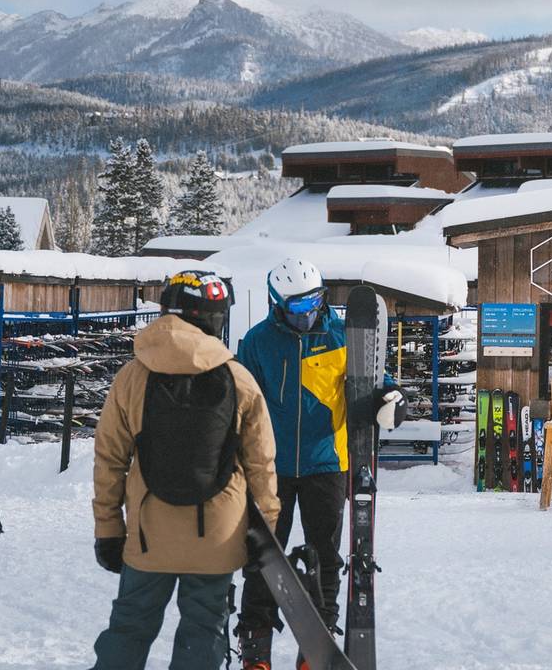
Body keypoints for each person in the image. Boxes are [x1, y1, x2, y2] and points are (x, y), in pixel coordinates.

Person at [90, 270, 281, 670]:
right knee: (204, 627)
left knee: (130, 625)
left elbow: (110, 459)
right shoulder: (238, 377)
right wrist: (268, 534)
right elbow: (261, 464)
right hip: (218, 535)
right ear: (214, 318)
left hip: (147, 535)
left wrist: (109, 529)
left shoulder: (133, 376)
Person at [236, 259, 406, 670]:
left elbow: (375, 380)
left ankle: (319, 646)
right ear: (277, 304)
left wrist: (392, 402)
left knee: (325, 556)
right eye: (297, 306)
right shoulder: (257, 342)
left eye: (314, 301)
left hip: (327, 464)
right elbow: (239, 396)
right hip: (270, 467)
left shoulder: (339, 336)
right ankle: (256, 648)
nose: (307, 313)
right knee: (263, 556)